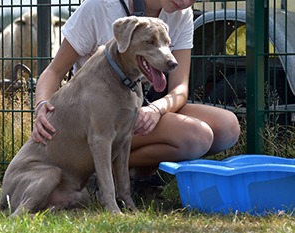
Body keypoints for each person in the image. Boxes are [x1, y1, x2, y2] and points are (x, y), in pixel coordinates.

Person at [31, 0, 240, 189]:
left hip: (143, 103)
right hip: (101, 115)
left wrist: (156, 110)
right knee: (197, 137)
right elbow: (54, 71)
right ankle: (99, 169)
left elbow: (179, 88)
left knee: (227, 127)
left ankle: (125, 170)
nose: (185, 2)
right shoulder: (100, 6)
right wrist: (42, 105)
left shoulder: (181, 14)